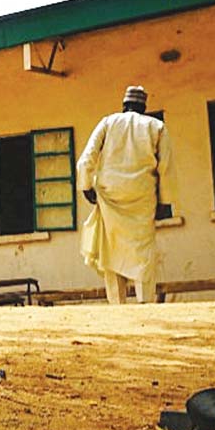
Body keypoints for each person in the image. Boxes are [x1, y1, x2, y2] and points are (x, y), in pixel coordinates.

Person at [76, 85, 178, 304]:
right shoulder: (157, 127)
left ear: (124, 106)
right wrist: (165, 203)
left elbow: (86, 159)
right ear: (144, 107)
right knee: (143, 253)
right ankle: (145, 302)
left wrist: (86, 187)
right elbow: (166, 169)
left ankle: (117, 304)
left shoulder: (108, 122)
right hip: (143, 199)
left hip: (109, 198)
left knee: (111, 251)